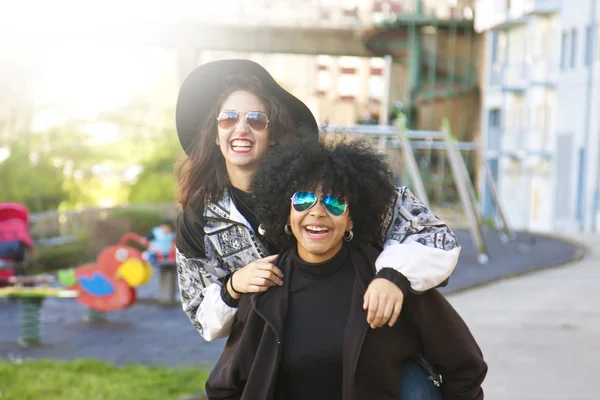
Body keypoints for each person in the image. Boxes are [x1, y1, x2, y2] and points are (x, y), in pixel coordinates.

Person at [174, 59, 461, 397]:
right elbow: (203, 319)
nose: (241, 128)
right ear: (215, 133)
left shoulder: (330, 183)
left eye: (256, 120)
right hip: (280, 357)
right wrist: (233, 286)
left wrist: (392, 275)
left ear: (275, 133)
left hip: (371, 347)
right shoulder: (198, 221)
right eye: (228, 118)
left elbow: (437, 239)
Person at [205, 136, 487, 399]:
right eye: (303, 199)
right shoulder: (264, 287)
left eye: (334, 202)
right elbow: (225, 385)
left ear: (352, 219)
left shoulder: (391, 279)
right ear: (286, 212)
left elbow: (463, 367)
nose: (317, 211)